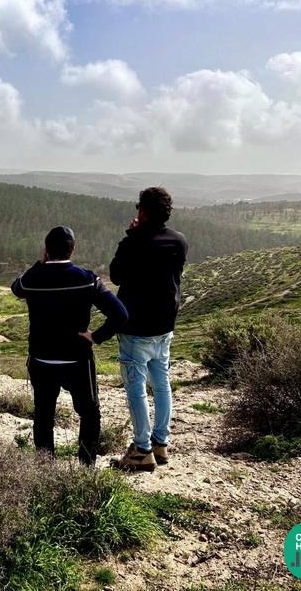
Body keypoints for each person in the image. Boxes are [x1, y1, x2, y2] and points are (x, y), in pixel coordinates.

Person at [12, 226, 128, 466]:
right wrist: (96, 336)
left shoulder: (34, 279)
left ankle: (45, 467)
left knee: (43, 414)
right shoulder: (87, 280)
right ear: (73, 249)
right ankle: (86, 466)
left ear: (46, 249)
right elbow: (120, 314)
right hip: (77, 359)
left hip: (41, 359)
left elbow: (16, 288)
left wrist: (39, 264)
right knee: (89, 412)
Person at [110, 187, 188, 472]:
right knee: (161, 384)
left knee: (136, 388)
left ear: (142, 212)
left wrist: (132, 234)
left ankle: (141, 450)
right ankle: (160, 444)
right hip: (164, 325)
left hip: (135, 327)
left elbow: (116, 275)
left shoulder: (132, 243)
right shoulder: (178, 241)